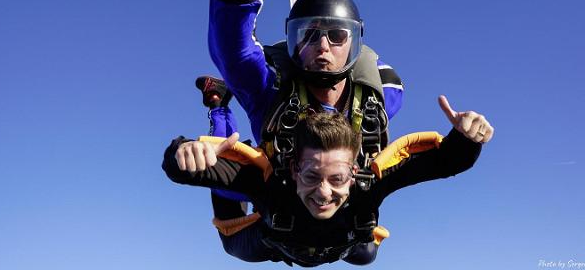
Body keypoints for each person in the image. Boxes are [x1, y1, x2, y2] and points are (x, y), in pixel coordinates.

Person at [207, 0, 404, 239]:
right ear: (292, 42)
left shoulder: (379, 96)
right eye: (309, 35)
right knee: (234, 225)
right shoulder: (272, 89)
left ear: (355, 43)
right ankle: (218, 103)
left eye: (337, 36)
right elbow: (234, 53)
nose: (323, 46)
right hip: (271, 199)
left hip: (335, 200)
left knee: (365, 250)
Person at [162, 97, 494, 266]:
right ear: (293, 170)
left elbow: (445, 162)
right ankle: (218, 105)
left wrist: (467, 138)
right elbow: (181, 169)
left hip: (348, 245)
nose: (323, 191)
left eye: (336, 178)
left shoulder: (368, 185)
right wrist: (184, 154)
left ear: (353, 173)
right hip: (272, 243)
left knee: (366, 256)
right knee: (229, 224)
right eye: (311, 176)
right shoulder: (274, 184)